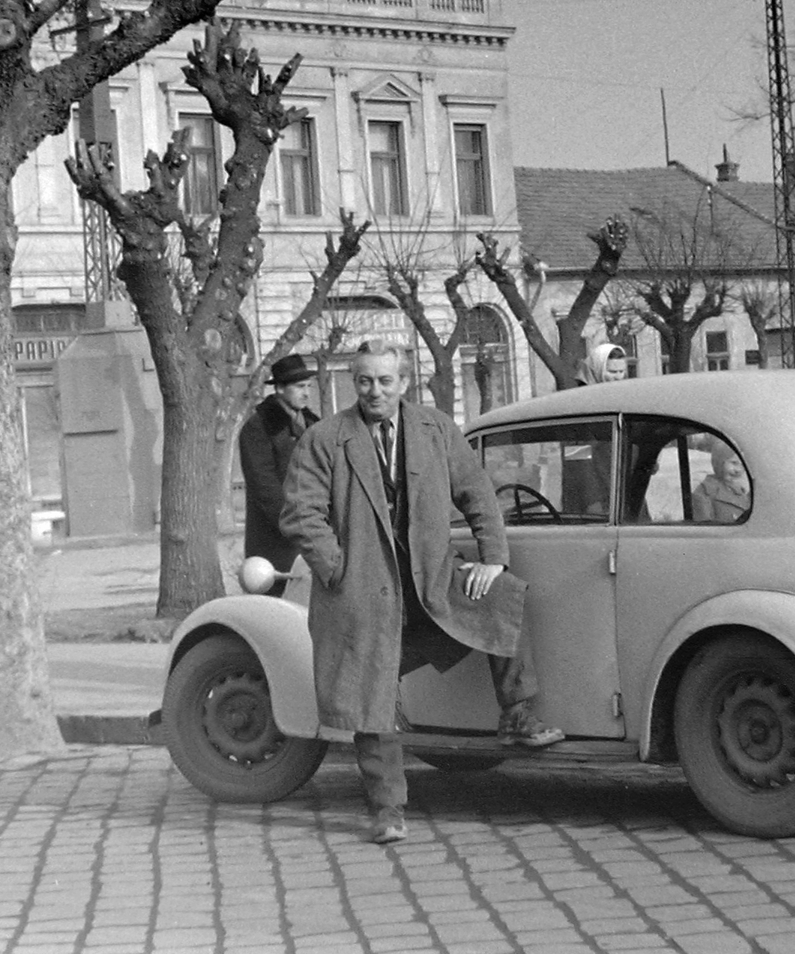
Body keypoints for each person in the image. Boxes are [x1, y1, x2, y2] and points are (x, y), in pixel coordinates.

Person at [280, 341, 564, 846]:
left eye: (385, 381)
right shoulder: (324, 439)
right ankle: (388, 808)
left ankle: (517, 714)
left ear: (404, 382)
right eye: (364, 380)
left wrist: (492, 558)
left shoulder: (436, 429)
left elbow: (477, 492)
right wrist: (339, 569)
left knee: (503, 598)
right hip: (361, 592)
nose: (374, 391)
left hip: (429, 582)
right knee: (374, 693)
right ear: (353, 381)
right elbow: (302, 515)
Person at [237, 353, 320, 598]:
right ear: (280, 389)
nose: (306, 393)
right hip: (276, 537)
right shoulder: (259, 427)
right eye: (299, 387)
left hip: (315, 529)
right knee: (280, 603)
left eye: (308, 387)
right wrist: (295, 524)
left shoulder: (314, 424)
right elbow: (264, 486)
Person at [692, 442, 751, 523]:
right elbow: (706, 530)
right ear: (719, 462)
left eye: (743, 465)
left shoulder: (741, 492)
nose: (738, 470)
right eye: (734, 463)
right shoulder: (705, 492)